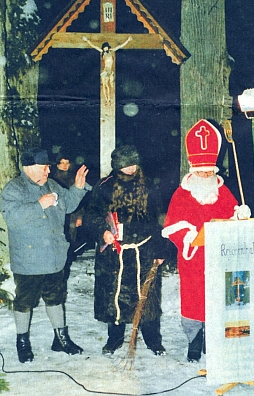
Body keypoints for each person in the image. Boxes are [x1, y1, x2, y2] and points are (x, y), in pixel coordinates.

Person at [162, 119, 251, 363]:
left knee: (220, 300)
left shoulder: (222, 191)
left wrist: (240, 216)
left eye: (209, 172)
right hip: (194, 259)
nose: (205, 175)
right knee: (194, 302)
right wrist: (190, 237)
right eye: (200, 172)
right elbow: (172, 226)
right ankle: (194, 340)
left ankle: (217, 340)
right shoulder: (182, 194)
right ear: (192, 170)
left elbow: (233, 216)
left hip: (219, 259)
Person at [0, 147, 91, 363]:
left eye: (48, 167)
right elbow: (12, 218)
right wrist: (39, 205)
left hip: (54, 257)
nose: (48, 171)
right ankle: (22, 341)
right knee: (24, 302)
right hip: (28, 261)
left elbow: (67, 204)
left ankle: (60, 339)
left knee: (55, 298)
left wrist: (78, 188)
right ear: (28, 168)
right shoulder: (14, 189)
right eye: (44, 167)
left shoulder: (52, 185)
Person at [84, 145, 166, 356]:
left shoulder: (148, 186)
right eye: (126, 165)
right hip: (115, 252)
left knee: (146, 296)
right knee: (115, 297)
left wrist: (160, 250)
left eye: (133, 164)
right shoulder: (104, 187)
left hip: (144, 250)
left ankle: (153, 339)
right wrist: (102, 231)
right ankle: (115, 338)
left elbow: (160, 220)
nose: (131, 168)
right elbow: (91, 215)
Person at [82, 35, 132, 105]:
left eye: (106, 47)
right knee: (104, 85)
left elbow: (120, 46)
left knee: (108, 85)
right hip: (104, 70)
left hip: (109, 70)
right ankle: (106, 99)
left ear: (108, 47)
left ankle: (109, 99)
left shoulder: (111, 51)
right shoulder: (102, 53)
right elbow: (94, 46)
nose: (105, 48)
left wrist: (127, 41)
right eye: (104, 47)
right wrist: (87, 40)